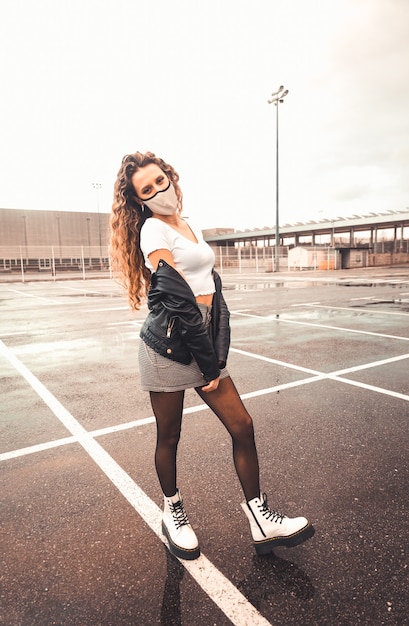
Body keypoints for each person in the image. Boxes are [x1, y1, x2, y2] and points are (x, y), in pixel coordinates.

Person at [109, 150, 314, 560]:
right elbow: (177, 298)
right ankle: (174, 512)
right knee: (169, 436)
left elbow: (210, 291)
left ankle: (261, 519)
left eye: (159, 181)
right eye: (146, 190)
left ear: (170, 177)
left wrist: (217, 354)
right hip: (167, 346)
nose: (157, 191)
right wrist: (209, 363)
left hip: (199, 339)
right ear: (140, 201)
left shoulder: (189, 225)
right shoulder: (152, 231)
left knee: (242, 424)